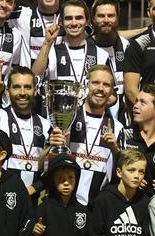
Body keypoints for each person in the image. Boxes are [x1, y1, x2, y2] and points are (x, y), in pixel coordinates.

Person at [0, 66, 51, 197]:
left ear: (35, 91)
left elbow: (52, 167)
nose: (22, 92)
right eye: (16, 87)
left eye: (28, 87)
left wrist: (34, 188)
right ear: (7, 91)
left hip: (30, 200)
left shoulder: (46, 125)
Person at [49, 65, 123, 206]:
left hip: (96, 208)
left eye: (106, 85)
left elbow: (119, 174)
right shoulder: (67, 118)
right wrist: (50, 145)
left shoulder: (118, 128)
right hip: (62, 206)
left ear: (112, 91)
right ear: (86, 85)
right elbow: (47, 164)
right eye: (95, 83)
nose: (100, 88)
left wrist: (115, 150)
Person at [32, 0, 110, 84]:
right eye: (68, 18)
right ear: (62, 22)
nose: (74, 23)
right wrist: (47, 43)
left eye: (79, 18)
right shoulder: (51, 53)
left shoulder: (101, 55)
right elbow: (34, 81)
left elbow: (112, 94)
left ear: (87, 21)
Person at [91, 0, 131, 125]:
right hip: (89, 123)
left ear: (117, 18)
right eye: (101, 16)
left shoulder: (127, 47)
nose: (106, 20)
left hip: (120, 124)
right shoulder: (84, 47)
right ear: (93, 19)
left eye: (111, 16)